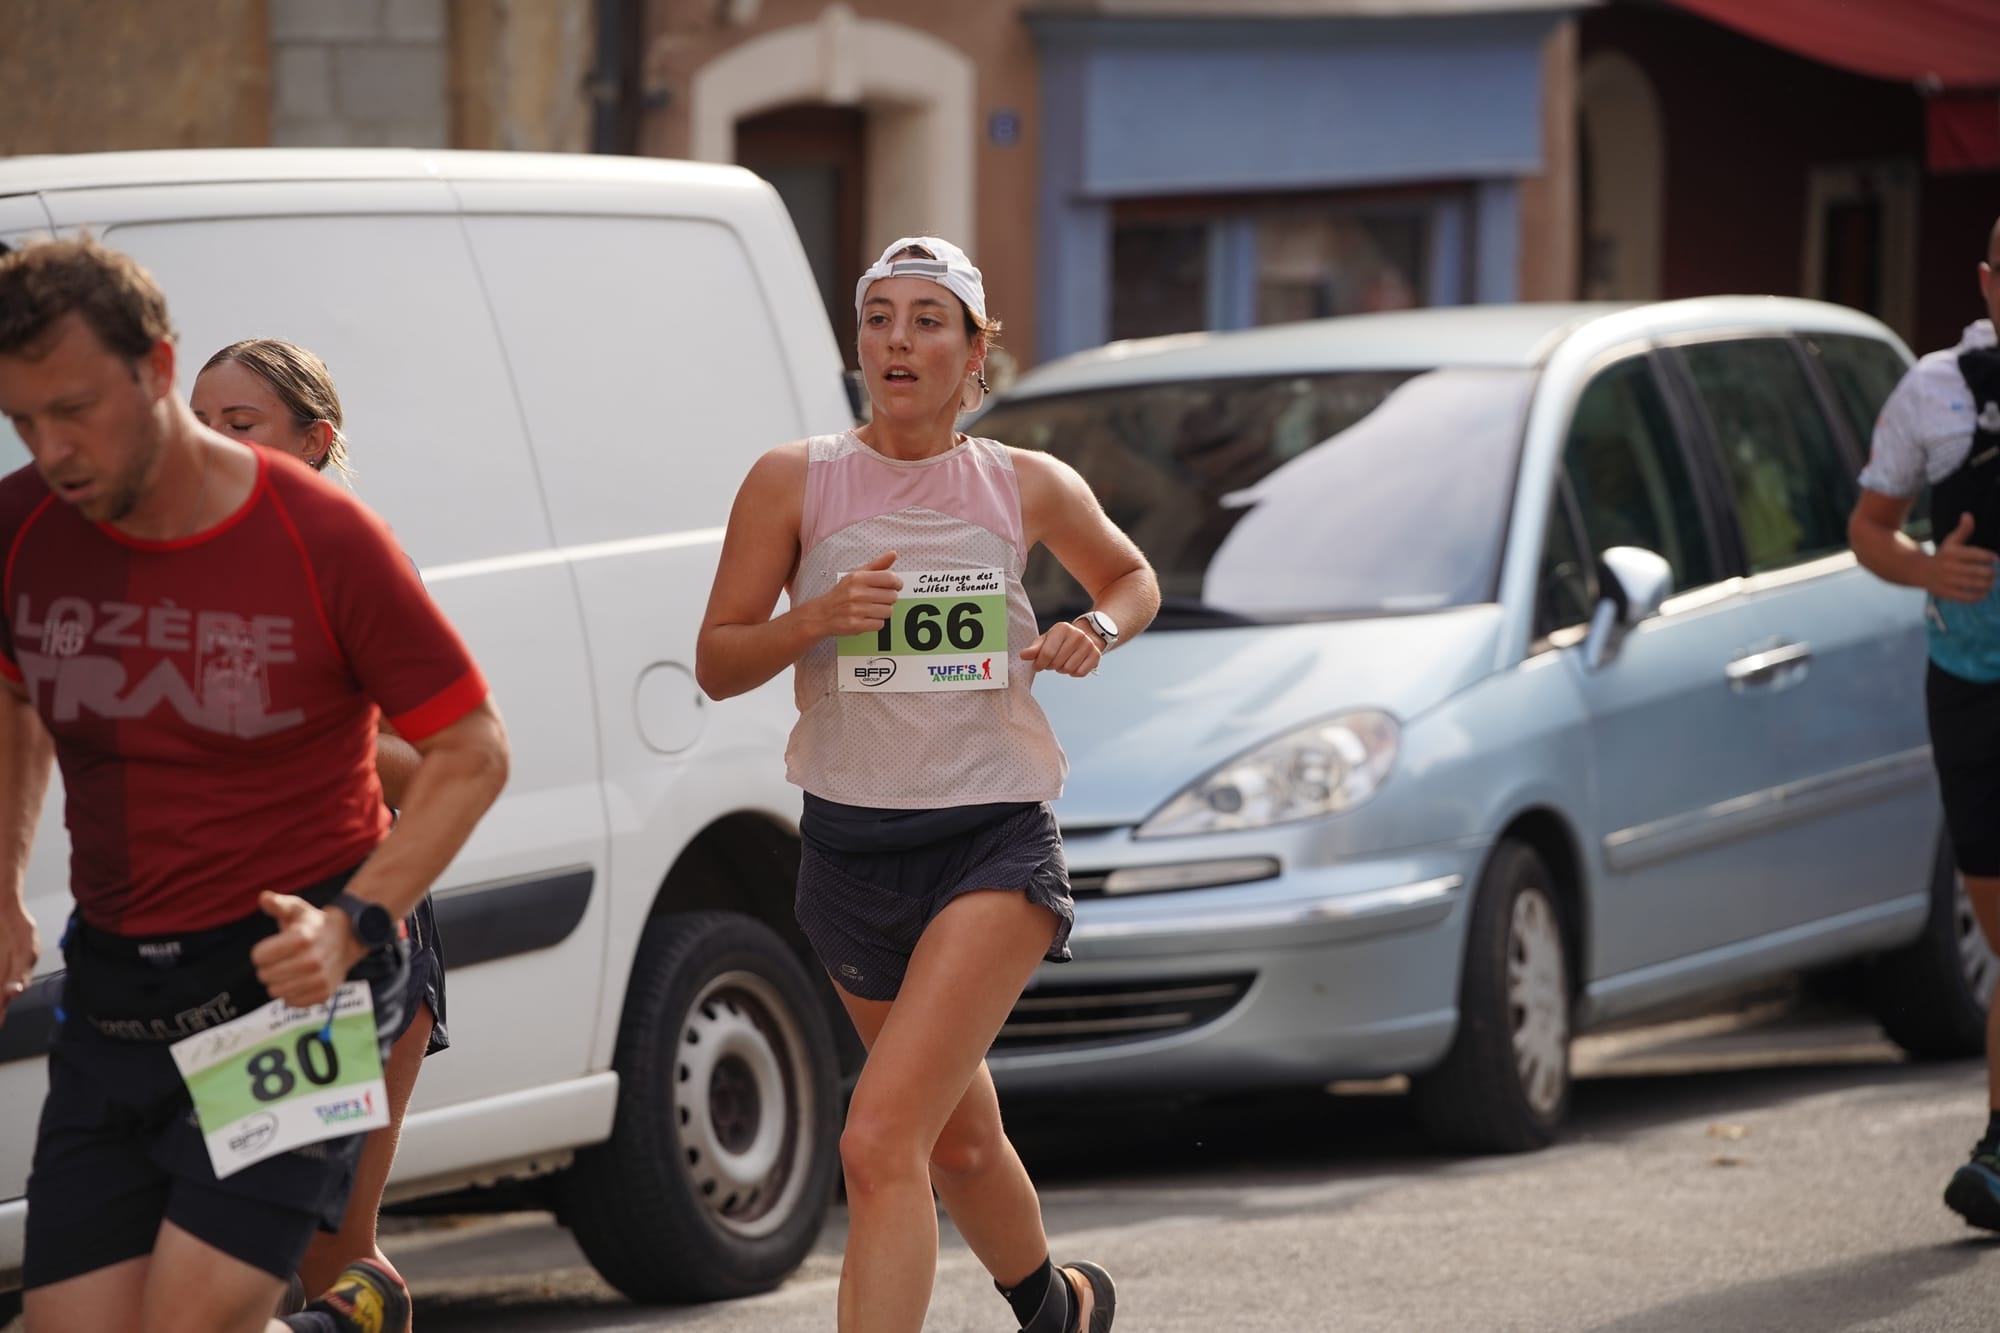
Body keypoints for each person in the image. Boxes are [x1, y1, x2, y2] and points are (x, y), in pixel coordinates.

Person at [0, 236, 509, 1333]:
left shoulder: (323, 536)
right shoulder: (22, 525)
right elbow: (12, 689)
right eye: (23, 421)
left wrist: (353, 924)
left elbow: (472, 752)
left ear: (153, 367)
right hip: (115, 995)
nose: (54, 450)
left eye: (75, 410)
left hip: (288, 984)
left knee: (195, 1317)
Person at [696, 236, 1160, 1333]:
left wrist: (1093, 627)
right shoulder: (790, 479)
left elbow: (1129, 576)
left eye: (926, 320)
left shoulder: (1023, 482)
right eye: (879, 319)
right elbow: (718, 662)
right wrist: (815, 617)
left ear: (972, 353)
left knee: (876, 1138)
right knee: (954, 1137)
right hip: (851, 849)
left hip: (988, 835)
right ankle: (1057, 1306)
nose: (897, 340)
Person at [190, 338, 449, 1317]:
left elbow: (435, 770)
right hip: (218, 939)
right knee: (251, 1244)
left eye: (241, 424)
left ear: (315, 441)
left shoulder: (355, 563)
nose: (212, 443)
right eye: (199, 422)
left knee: (319, 1251)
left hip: (347, 932)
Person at [1849, 214, 2000, 1231]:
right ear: (1990, 281)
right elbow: (1867, 528)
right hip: (1972, 681)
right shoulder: (1934, 392)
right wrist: (1923, 566)